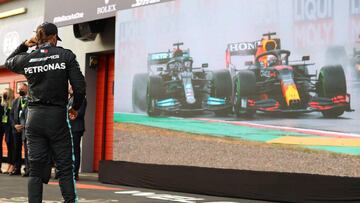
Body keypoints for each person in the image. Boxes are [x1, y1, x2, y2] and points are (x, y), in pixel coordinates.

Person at [5, 22, 86, 203]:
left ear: (37, 38)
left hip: (33, 119)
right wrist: (74, 108)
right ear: (53, 37)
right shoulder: (66, 55)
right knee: (65, 167)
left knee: (35, 169)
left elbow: (9, 61)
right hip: (57, 117)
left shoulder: (28, 58)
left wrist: (25, 44)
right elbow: (80, 88)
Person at [10, 83, 29, 176]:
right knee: (16, 149)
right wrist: (15, 125)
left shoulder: (31, 100)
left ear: (27, 89)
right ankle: (17, 168)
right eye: (19, 89)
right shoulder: (15, 101)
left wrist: (24, 125)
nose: (20, 90)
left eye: (22, 89)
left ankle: (27, 169)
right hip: (16, 129)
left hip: (26, 129)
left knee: (27, 150)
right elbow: (11, 115)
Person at [0, 88, 15, 174]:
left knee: (11, 146)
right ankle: (7, 164)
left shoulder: (13, 103)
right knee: (6, 145)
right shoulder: (3, 104)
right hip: (3, 126)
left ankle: (12, 164)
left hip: (10, 127)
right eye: (3, 93)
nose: (4, 95)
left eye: (5, 93)